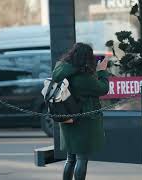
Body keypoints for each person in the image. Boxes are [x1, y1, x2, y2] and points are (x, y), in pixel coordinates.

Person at [52, 43, 110, 180]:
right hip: (82, 121)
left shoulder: (62, 69)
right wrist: (102, 71)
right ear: (86, 58)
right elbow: (103, 88)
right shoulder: (82, 77)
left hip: (67, 118)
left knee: (70, 159)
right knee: (82, 158)